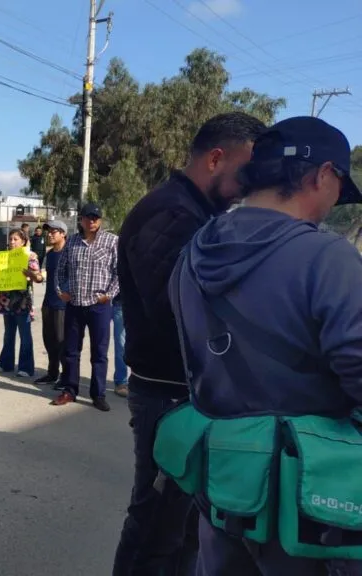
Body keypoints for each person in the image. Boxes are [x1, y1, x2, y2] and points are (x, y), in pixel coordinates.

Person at [169, 116, 362, 575]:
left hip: (224, 488)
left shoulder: (192, 253)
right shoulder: (328, 257)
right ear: (323, 175)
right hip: (312, 504)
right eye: (340, 188)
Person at [112, 112, 266, 576]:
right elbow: (180, 311)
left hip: (184, 391)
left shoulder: (195, 211)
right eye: (247, 171)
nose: (250, 185)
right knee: (158, 526)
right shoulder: (171, 212)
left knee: (184, 529)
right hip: (168, 394)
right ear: (217, 158)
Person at [52, 202, 118, 412]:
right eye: (88, 217)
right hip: (75, 304)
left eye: (95, 218)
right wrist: (60, 290)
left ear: (100, 220)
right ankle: (70, 390)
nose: (92, 221)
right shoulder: (71, 242)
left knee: (99, 352)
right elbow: (60, 270)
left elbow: (120, 272)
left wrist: (109, 295)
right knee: (71, 351)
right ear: (80, 219)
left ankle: (98, 394)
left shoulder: (112, 241)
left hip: (99, 306)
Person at [0, 229, 42, 378]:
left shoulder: (30, 256)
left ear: (23, 241)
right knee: (8, 333)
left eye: (15, 239)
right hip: (7, 299)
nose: (12, 242)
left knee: (25, 334)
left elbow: (38, 277)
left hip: (22, 301)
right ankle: (6, 363)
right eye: (10, 239)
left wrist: (30, 274)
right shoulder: (3, 257)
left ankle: (26, 367)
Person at [34, 221, 68, 386]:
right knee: (49, 341)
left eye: (54, 231)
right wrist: (35, 276)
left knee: (62, 342)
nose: (50, 234)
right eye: (49, 232)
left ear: (63, 234)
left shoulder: (70, 253)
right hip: (48, 303)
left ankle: (66, 376)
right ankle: (52, 373)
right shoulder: (49, 255)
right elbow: (43, 275)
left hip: (63, 306)